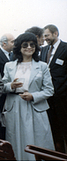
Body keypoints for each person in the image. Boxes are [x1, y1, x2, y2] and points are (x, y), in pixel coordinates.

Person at [2, 32, 54, 160]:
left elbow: (49, 90)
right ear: (19, 47)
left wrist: (33, 96)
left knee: (37, 142)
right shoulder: (9, 66)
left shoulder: (42, 66)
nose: (29, 47)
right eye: (25, 45)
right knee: (16, 141)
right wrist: (11, 86)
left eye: (32, 45)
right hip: (15, 108)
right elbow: (2, 86)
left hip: (35, 107)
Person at [40, 24, 67, 153]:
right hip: (48, 97)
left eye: (47, 35)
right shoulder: (44, 50)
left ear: (55, 33)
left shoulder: (66, 48)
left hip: (63, 97)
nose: (45, 38)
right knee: (53, 128)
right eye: (44, 36)